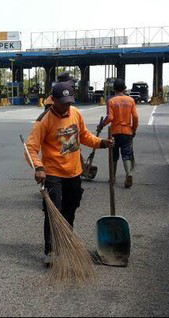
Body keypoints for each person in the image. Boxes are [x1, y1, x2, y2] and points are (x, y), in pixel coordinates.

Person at [26, 81, 113, 265]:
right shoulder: (44, 121)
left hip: (74, 172)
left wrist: (101, 143)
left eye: (70, 101)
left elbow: (84, 136)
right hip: (53, 174)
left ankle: (65, 243)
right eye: (64, 102)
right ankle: (50, 251)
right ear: (54, 100)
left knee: (70, 210)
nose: (67, 105)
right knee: (53, 212)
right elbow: (30, 148)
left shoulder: (75, 113)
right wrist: (39, 167)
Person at [98, 78, 139, 188]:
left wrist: (102, 125)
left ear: (114, 89)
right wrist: (134, 129)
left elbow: (110, 117)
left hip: (115, 132)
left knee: (114, 155)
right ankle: (128, 174)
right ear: (124, 89)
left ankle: (113, 177)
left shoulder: (111, 101)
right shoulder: (130, 100)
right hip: (127, 132)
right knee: (126, 154)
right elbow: (135, 116)